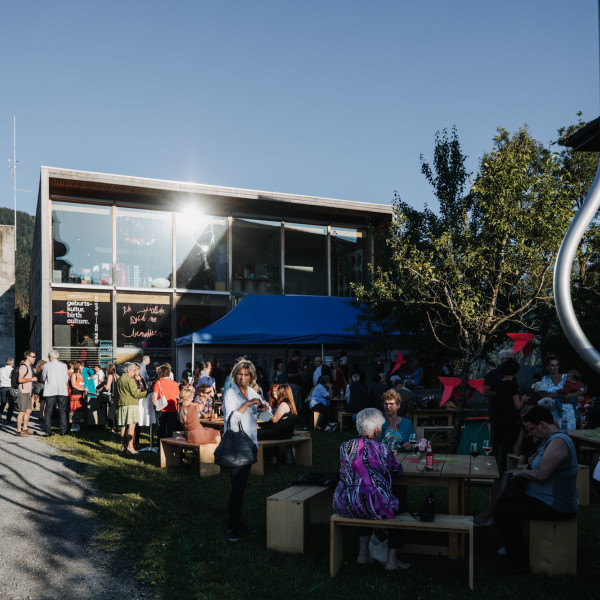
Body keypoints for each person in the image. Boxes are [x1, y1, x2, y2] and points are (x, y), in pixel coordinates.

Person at [494, 406, 578, 574]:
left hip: (556, 505)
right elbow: (539, 466)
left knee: (504, 511)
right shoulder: (550, 441)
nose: (532, 435)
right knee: (506, 501)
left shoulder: (558, 442)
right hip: (543, 498)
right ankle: (515, 553)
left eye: (533, 429)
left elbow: (542, 475)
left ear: (542, 424)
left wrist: (520, 472)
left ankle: (518, 563)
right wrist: (528, 466)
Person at [332, 408, 409, 571]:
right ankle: (391, 560)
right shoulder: (382, 448)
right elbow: (397, 470)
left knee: (364, 498)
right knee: (400, 504)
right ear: (376, 430)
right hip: (374, 505)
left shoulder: (344, 446)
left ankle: (363, 553)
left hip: (345, 502)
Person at [222, 359, 272, 542]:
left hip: (250, 443)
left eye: (246, 375)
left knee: (241, 487)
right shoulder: (230, 393)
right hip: (235, 444)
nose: (242, 378)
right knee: (236, 487)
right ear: (235, 375)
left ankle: (238, 522)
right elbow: (230, 421)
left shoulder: (253, 391)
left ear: (251, 376)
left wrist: (264, 407)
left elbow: (267, 416)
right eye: (239, 375)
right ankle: (231, 528)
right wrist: (247, 404)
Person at [493, 358, 526, 472]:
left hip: (500, 418)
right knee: (514, 445)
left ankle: (502, 469)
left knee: (503, 447)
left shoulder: (499, 384)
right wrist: (524, 399)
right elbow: (517, 405)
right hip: (511, 420)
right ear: (515, 372)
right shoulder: (512, 386)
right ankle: (512, 468)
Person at [482, 349, 515, 448]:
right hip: (497, 412)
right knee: (495, 441)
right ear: (502, 360)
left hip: (511, 412)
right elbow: (486, 391)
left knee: (509, 441)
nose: (512, 361)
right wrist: (502, 394)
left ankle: (507, 463)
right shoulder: (493, 374)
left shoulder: (513, 375)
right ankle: (494, 462)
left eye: (513, 359)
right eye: (510, 359)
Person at [116, 362, 149, 454]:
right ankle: (130, 447)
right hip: (131, 404)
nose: (135, 372)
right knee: (131, 426)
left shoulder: (119, 379)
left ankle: (123, 446)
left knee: (123, 426)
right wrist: (147, 392)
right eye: (134, 370)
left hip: (122, 404)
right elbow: (135, 394)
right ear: (128, 370)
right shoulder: (130, 380)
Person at [538, 356, 577, 431]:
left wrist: (569, 395)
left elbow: (579, 390)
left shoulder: (566, 377)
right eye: (552, 365)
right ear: (547, 367)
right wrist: (561, 395)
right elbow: (543, 395)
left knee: (571, 435)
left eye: (557, 365)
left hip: (568, 412)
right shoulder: (545, 379)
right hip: (553, 412)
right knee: (556, 434)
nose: (555, 367)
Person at [41, 350, 69, 437]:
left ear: (51, 357)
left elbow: (43, 377)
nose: (48, 358)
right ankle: (63, 430)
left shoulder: (47, 366)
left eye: (48, 356)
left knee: (48, 410)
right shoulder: (64, 366)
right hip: (61, 390)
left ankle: (48, 430)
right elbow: (66, 378)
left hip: (50, 390)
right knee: (62, 410)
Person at [153, 365, 180, 439]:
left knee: (160, 429)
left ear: (159, 374)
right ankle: (170, 446)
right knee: (171, 429)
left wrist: (154, 405)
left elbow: (155, 397)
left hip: (162, 408)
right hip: (173, 408)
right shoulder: (175, 383)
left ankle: (161, 446)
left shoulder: (158, 383)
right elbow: (178, 396)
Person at [15, 350, 38, 437]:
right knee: (22, 411)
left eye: (35, 356)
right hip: (22, 392)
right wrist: (31, 379)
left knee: (29, 410)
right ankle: (18, 431)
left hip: (27, 392)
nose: (35, 358)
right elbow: (20, 380)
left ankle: (25, 429)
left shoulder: (29, 366)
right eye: (33, 356)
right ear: (27, 357)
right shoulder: (23, 367)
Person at [69, 361, 87, 432]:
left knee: (80, 410)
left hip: (81, 395)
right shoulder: (74, 374)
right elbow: (74, 385)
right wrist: (82, 389)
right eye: (82, 366)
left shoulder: (81, 374)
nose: (83, 367)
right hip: (75, 394)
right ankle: (73, 426)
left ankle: (78, 424)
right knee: (74, 410)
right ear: (78, 366)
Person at [0, 357, 15, 425]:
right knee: (11, 403)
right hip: (10, 387)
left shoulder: (1, 369)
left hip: (3, 386)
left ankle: (0, 416)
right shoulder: (13, 370)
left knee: (3, 402)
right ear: (12, 363)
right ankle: (8, 419)